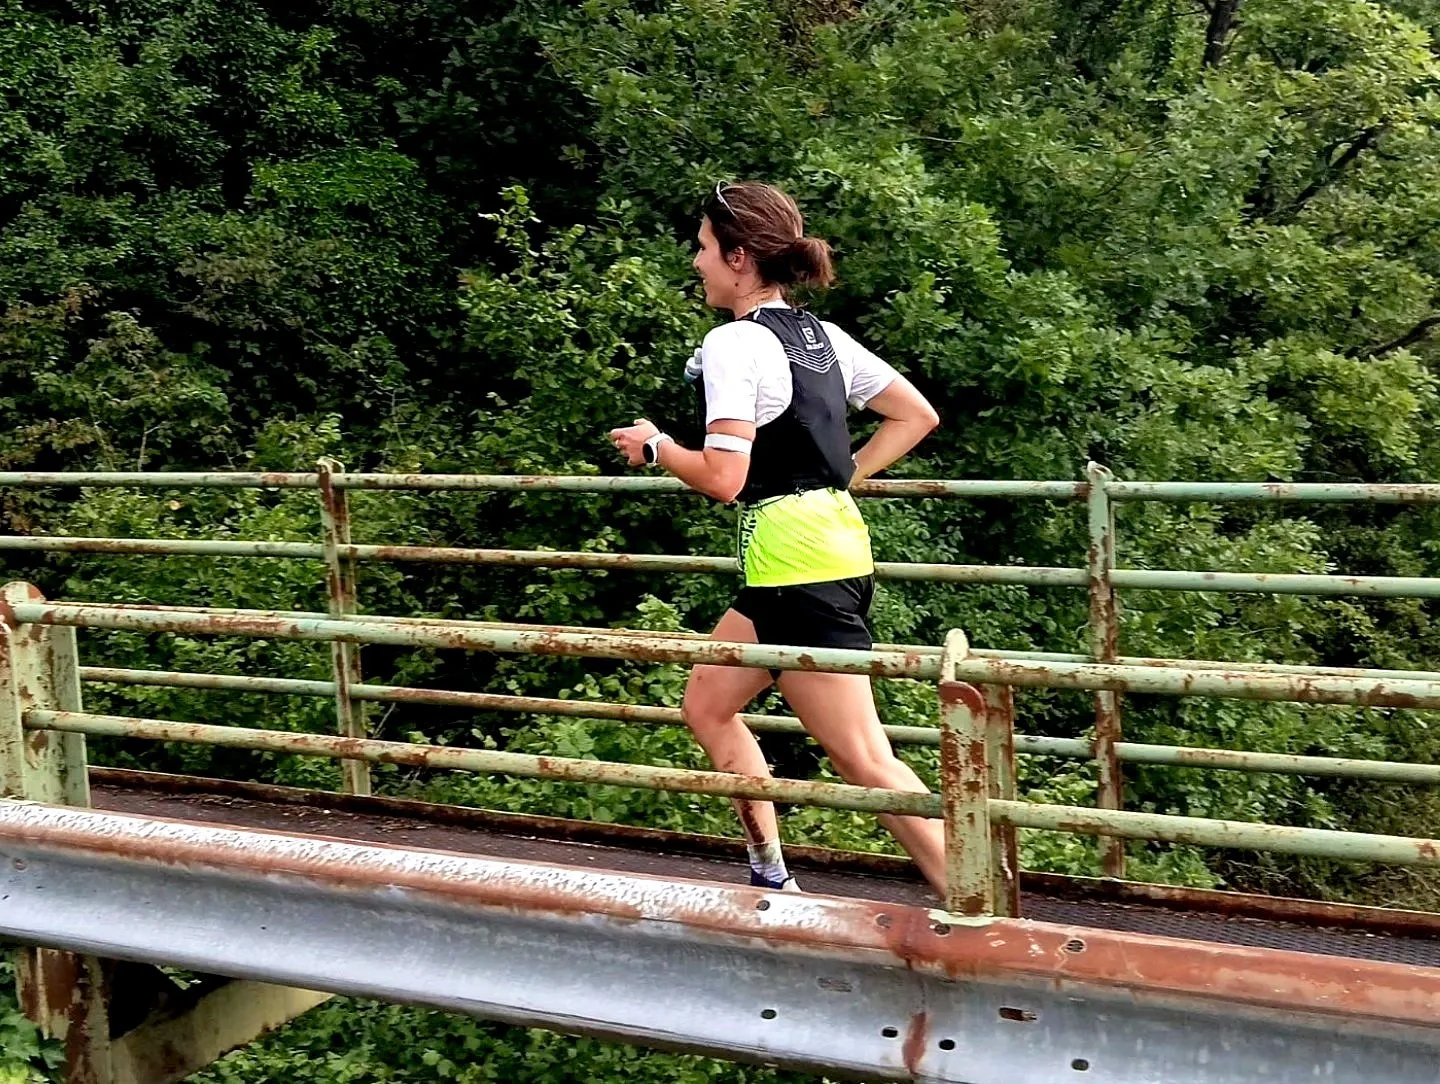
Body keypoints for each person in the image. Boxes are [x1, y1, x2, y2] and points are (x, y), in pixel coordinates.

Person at [608, 181, 945, 895]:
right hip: (806, 556)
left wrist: (656, 446)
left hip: (799, 568)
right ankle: (771, 873)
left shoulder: (733, 342)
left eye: (702, 248)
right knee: (706, 703)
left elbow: (724, 478)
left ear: (737, 257)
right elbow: (915, 415)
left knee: (864, 758)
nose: (695, 262)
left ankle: (984, 902)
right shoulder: (819, 336)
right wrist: (845, 475)